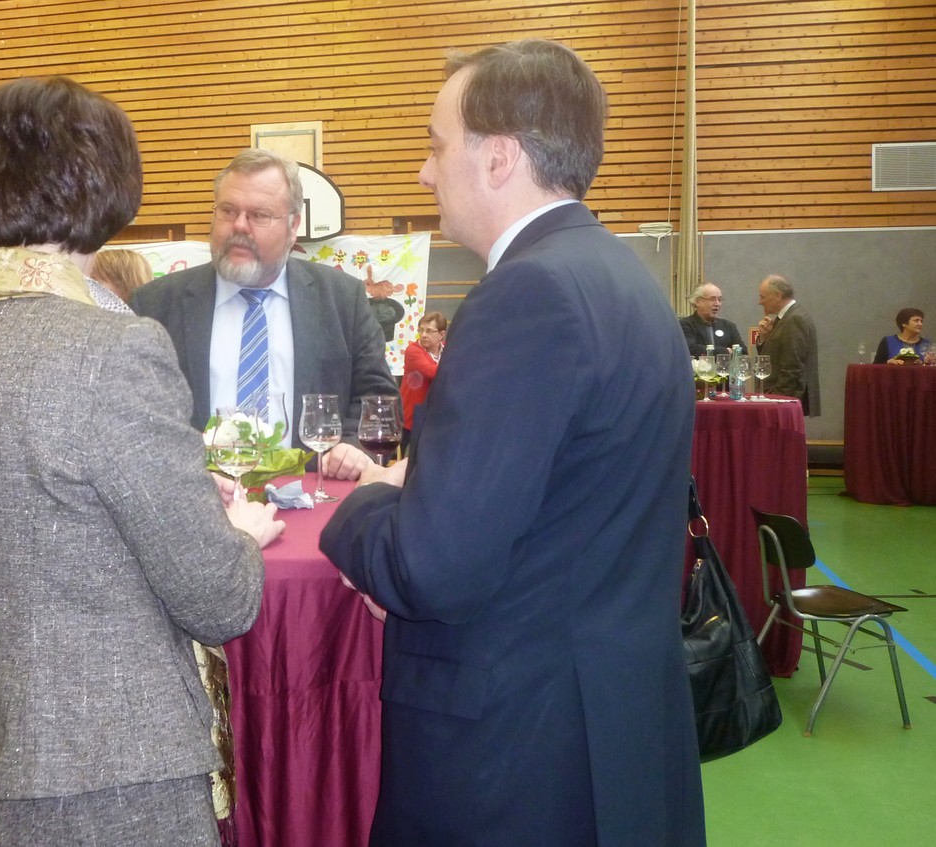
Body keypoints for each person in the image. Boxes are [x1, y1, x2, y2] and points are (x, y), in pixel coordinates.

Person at [0, 76, 282, 847]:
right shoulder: (115, 348)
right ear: (112, 188)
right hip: (111, 759)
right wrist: (241, 536)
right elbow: (217, 598)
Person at [318, 40, 706, 846]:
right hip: (614, 721)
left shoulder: (525, 294)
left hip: (514, 754)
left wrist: (359, 511)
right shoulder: (625, 279)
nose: (425, 172)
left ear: (497, 158)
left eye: (435, 144)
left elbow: (434, 566)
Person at [130, 148, 398, 479]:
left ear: (293, 225)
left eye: (259, 215)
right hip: (196, 504)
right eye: (227, 211)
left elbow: (376, 395)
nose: (239, 226)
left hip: (312, 497)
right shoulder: (155, 305)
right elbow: (132, 414)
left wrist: (351, 448)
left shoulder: (342, 299)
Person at [755, 273, 820, 415]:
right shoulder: (786, 317)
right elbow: (776, 354)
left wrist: (778, 398)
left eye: (763, 297)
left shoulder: (794, 319)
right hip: (779, 396)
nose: (760, 302)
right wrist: (765, 338)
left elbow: (793, 365)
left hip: (783, 399)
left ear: (778, 295)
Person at [400, 310, 445, 452]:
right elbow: (433, 372)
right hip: (411, 416)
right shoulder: (413, 351)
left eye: (429, 331)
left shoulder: (447, 349)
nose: (424, 334)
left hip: (433, 415)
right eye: (422, 330)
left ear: (441, 334)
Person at [680, 281, 747, 356]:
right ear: (697, 301)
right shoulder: (685, 325)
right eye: (712, 299)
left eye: (720, 300)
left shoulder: (728, 326)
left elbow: (743, 351)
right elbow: (691, 349)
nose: (717, 304)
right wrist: (726, 351)